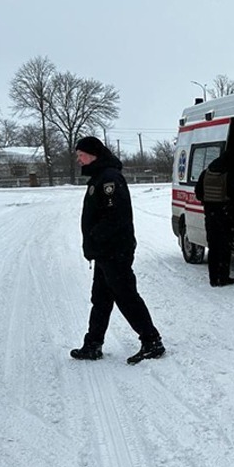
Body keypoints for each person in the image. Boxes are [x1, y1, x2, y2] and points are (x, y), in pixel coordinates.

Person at [69, 136, 165, 365]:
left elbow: (116, 217)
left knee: (126, 296)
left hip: (115, 251)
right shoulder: (99, 177)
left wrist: (95, 237)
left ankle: (152, 341)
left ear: (93, 155)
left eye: (81, 155)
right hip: (105, 252)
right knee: (101, 299)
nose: (79, 160)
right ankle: (93, 344)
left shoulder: (109, 179)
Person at [195, 149, 234, 287]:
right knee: (224, 248)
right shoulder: (229, 174)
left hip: (210, 215)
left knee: (213, 247)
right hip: (224, 215)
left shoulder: (206, 173)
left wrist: (207, 203)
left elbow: (198, 193)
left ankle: (213, 279)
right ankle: (224, 278)